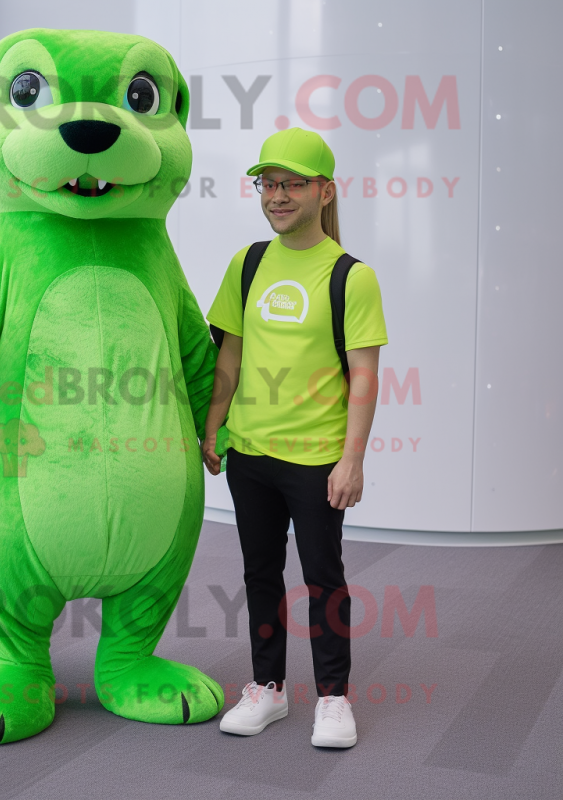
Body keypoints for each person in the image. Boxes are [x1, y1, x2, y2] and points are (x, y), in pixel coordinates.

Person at [202, 128, 388, 747]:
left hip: (315, 460)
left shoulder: (350, 276)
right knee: (260, 576)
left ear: (324, 190)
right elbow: (228, 352)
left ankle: (333, 698)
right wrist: (214, 425)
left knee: (323, 580)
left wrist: (352, 460)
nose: (277, 196)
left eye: (292, 184)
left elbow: (364, 376)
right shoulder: (248, 263)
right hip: (250, 452)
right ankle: (268, 689)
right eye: (268, 184)